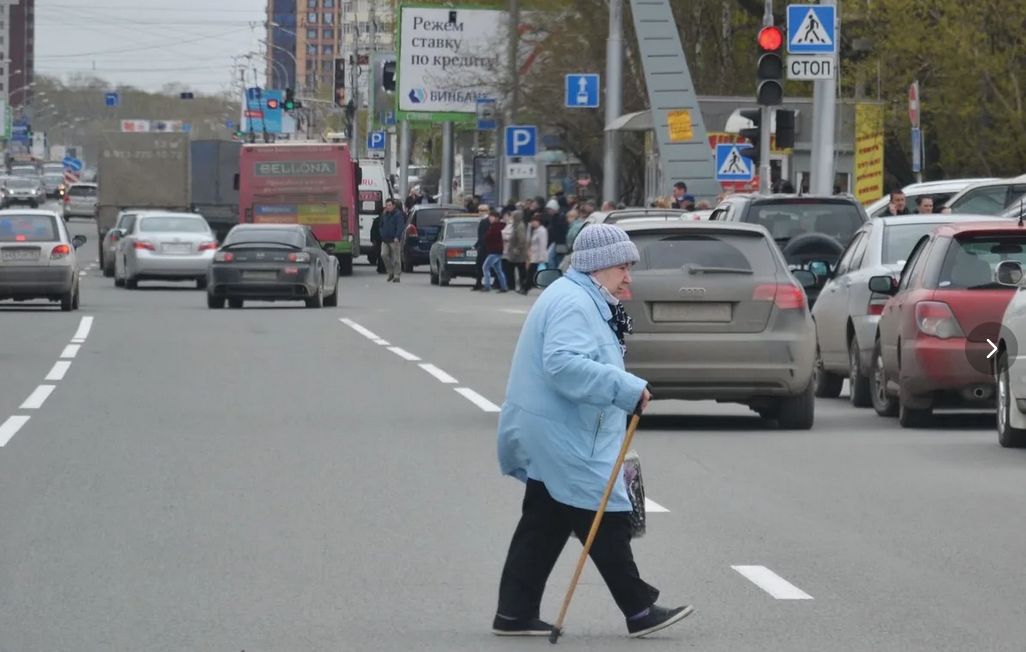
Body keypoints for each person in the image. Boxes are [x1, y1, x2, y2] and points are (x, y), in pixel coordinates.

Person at [493, 223, 694, 639]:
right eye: (623, 266)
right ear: (598, 266)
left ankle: (514, 613)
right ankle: (638, 610)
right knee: (607, 516)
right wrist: (626, 387)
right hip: (565, 432)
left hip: (558, 426)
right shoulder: (573, 303)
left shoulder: (580, 297)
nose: (628, 275)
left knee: (544, 520)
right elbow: (563, 363)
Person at [378, 199, 405, 283]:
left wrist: (397, 236)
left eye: (389, 205)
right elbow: (381, 225)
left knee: (396, 258)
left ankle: (397, 275)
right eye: (387, 205)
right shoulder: (385, 214)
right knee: (383, 255)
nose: (388, 207)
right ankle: (390, 272)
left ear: (393, 206)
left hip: (394, 239)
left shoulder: (398, 215)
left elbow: (400, 226)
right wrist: (382, 233)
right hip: (385, 239)